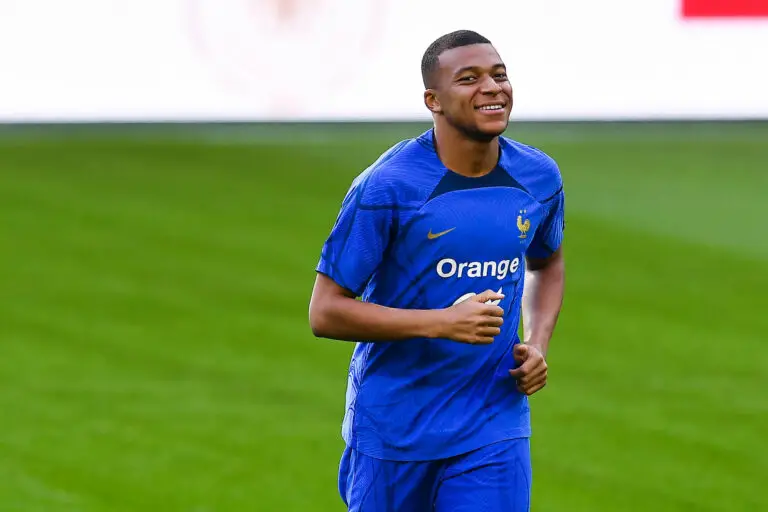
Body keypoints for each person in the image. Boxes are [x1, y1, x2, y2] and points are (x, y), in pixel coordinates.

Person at [309, 29, 566, 512]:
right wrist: (441, 323)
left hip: (493, 420)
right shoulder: (388, 186)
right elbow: (325, 312)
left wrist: (537, 343)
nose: (491, 87)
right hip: (394, 428)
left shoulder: (539, 177)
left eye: (499, 75)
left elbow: (547, 262)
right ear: (434, 101)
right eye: (469, 79)